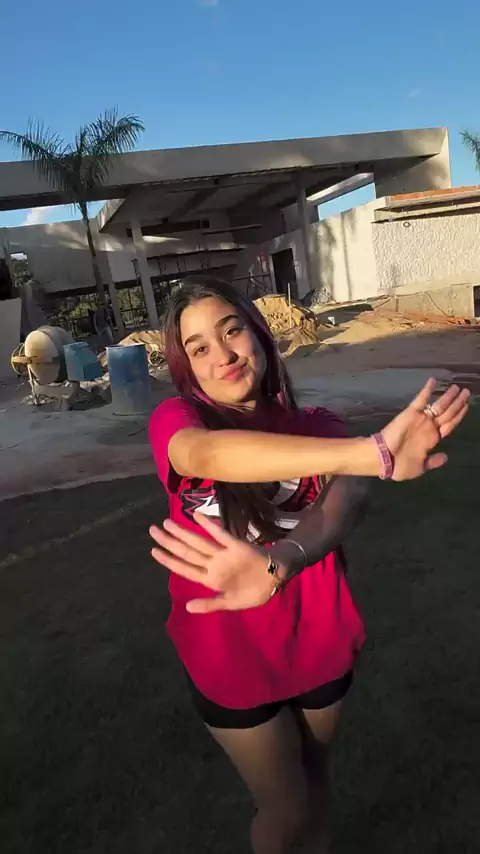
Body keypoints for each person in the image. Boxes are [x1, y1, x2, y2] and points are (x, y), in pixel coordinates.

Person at [148, 277, 469, 854]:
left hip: (318, 637)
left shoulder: (316, 424)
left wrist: (282, 561)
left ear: (259, 336)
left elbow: (350, 498)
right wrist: (373, 453)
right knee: (285, 807)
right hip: (229, 653)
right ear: (186, 367)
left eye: (231, 331)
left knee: (317, 788)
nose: (223, 355)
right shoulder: (178, 420)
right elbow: (204, 455)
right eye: (199, 348)